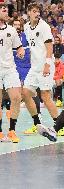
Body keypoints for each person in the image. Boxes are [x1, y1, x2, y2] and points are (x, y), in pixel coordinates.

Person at [22, 3, 59, 134]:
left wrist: (47, 65)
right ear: (29, 13)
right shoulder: (26, 27)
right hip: (34, 67)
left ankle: (58, 125)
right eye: (34, 11)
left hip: (45, 66)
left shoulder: (44, 27)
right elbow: (33, 47)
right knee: (25, 93)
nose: (37, 13)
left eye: (38, 11)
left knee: (46, 96)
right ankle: (37, 123)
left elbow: (49, 47)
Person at [0, 3, 25, 143]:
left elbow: (19, 47)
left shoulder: (11, 30)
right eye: (3, 10)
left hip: (9, 69)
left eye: (6, 10)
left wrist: (21, 52)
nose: (6, 12)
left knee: (16, 97)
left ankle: (11, 131)